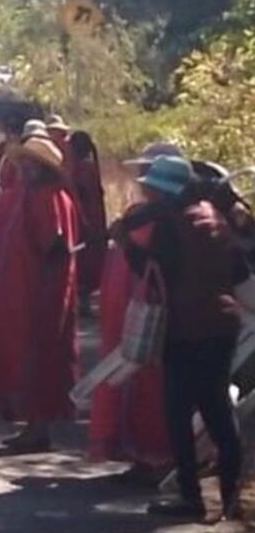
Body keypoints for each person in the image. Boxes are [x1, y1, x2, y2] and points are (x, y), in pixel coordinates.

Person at [113, 156, 245, 521]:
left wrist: (128, 246)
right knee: (218, 410)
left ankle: (191, 496)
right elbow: (238, 270)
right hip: (223, 323)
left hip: (186, 328)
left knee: (177, 413)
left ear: (162, 191)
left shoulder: (170, 224)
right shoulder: (215, 217)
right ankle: (231, 495)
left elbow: (157, 273)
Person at [0, 136, 80, 453]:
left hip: (38, 292)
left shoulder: (51, 197)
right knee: (16, 351)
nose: (23, 167)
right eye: (21, 161)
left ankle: (39, 426)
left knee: (38, 355)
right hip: (12, 290)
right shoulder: (18, 194)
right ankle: (29, 423)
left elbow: (55, 246)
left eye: (29, 162)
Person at [88, 143, 181, 484]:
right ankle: (139, 455)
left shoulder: (167, 218)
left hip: (150, 312)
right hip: (129, 311)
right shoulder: (140, 213)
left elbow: (155, 265)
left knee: (151, 386)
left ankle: (159, 457)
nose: (143, 178)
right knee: (130, 384)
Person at [70, 130, 108, 313]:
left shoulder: (82, 169)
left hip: (85, 221)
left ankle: (82, 302)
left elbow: (79, 196)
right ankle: (83, 301)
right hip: (94, 221)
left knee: (83, 261)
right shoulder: (91, 167)